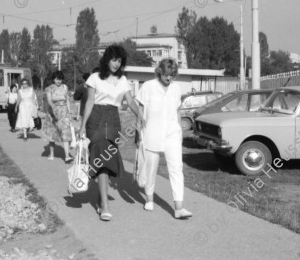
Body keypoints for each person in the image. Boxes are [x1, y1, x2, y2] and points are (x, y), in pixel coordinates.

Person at [78, 44, 143, 221]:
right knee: (101, 158)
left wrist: (140, 115)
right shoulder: (94, 77)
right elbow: (90, 102)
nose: (116, 63)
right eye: (114, 59)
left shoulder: (123, 80)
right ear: (107, 59)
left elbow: (130, 101)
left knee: (106, 160)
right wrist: (82, 125)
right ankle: (105, 205)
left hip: (113, 120)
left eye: (119, 60)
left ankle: (101, 198)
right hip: (96, 120)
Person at [135, 58, 192, 219]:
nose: (169, 78)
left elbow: (178, 110)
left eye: (172, 75)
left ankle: (179, 207)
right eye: (167, 74)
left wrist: (179, 130)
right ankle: (149, 199)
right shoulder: (148, 87)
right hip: (152, 132)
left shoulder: (175, 88)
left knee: (176, 168)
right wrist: (139, 126)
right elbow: (140, 107)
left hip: (172, 133)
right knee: (150, 168)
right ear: (160, 72)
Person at [43, 70, 74, 163]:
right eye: (57, 79)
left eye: (60, 79)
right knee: (53, 133)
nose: (58, 81)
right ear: (53, 79)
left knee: (65, 133)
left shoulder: (65, 87)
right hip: (53, 113)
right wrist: (53, 109)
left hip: (64, 112)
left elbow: (68, 100)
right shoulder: (49, 88)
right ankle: (52, 154)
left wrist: (70, 112)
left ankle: (67, 156)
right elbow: (49, 100)